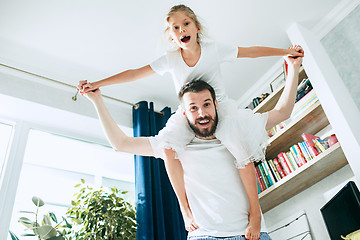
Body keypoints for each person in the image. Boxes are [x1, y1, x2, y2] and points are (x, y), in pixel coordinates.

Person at [77, 4, 303, 236]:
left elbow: (250, 52)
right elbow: (135, 74)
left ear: (196, 27)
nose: (181, 29)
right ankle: (185, 209)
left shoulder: (213, 49)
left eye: (186, 23)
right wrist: (98, 86)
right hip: (184, 114)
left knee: (240, 149)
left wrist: (285, 54)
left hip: (223, 109)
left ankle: (255, 213)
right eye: (175, 27)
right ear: (171, 35)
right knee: (167, 147)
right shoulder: (171, 59)